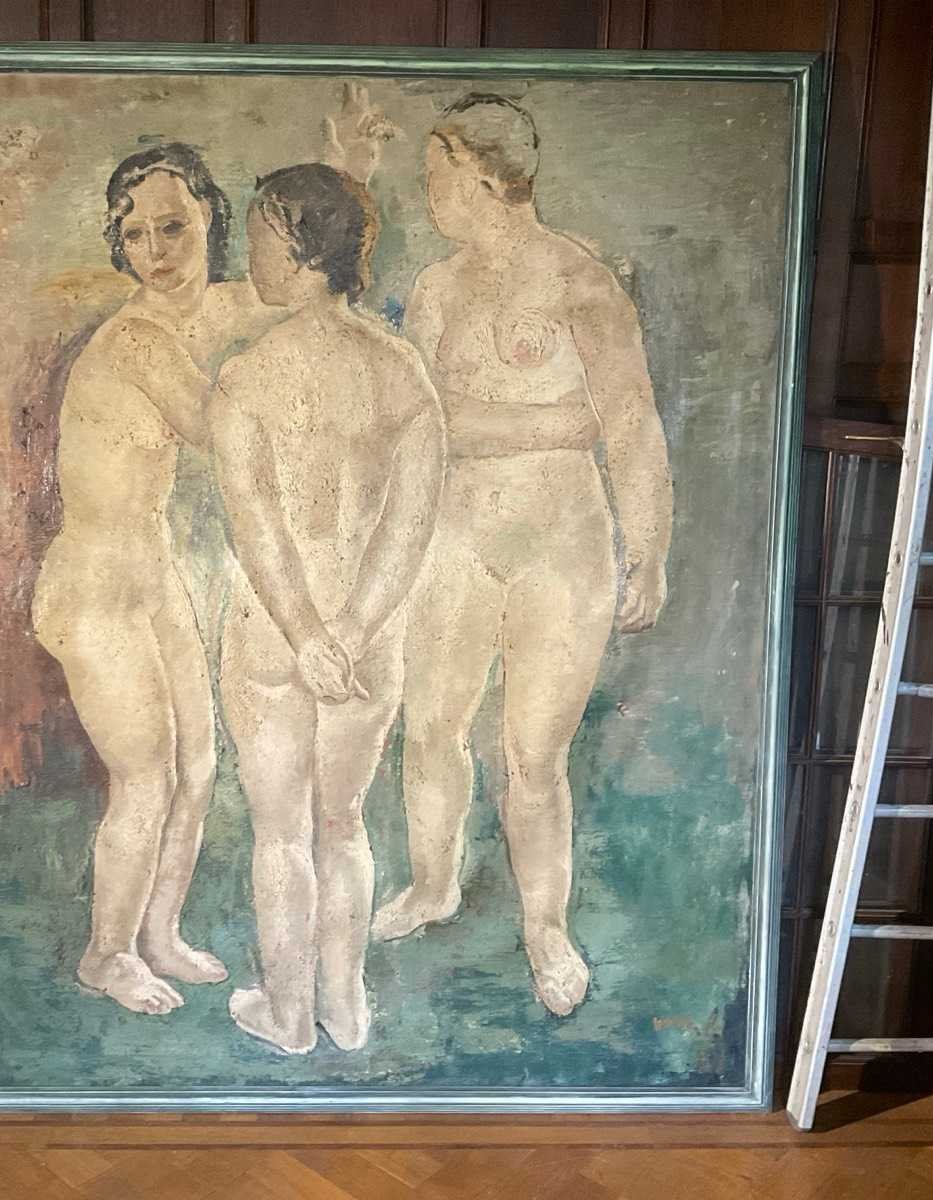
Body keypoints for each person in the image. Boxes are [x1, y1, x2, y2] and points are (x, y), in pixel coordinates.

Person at [32, 93, 394, 1018]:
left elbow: (302, 279)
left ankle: (157, 932)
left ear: (208, 222)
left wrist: (347, 170)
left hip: (150, 569)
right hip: (94, 584)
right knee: (146, 776)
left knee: (197, 769)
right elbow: (220, 429)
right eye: (135, 233)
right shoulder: (140, 337)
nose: (156, 248)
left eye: (174, 225)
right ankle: (106, 953)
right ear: (119, 246)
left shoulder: (216, 306)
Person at [371, 94, 674, 1018]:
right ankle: (434, 884)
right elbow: (422, 424)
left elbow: (630, 422)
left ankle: (546, 929)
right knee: (432, 725)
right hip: (455, 537)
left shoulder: (580, 282)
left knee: (533, 754)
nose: (428, 192)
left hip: (561, 544)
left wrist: (649, 550)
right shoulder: (435, 288)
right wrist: (556, 422)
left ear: (484, 174)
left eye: (438, 173)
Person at [211, 163, 446, 1054]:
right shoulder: (401, 373)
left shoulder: (248, 377)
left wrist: (307, 634)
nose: (250, 258)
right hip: (369, 633)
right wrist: (347, 632)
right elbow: (408, 526)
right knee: (342, 823)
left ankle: (287, 1013)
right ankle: (344, 1010)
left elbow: (256, 524)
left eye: (260, 239)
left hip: (271, 630)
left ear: (300, 249)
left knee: (282, 834)